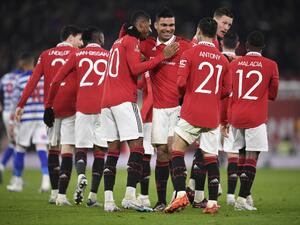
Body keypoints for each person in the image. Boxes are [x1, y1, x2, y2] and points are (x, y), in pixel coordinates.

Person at [101, 10, 179, 212]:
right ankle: (129, 196)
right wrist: (162, 56)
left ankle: (109, 200)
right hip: (123, 101)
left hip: (106, 102)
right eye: (148, 26)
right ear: (142, 25)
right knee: (138, 148)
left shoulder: (117, 43)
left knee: (112, 151)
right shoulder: (132, 41)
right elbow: (136, 69)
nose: (150, 30)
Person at [164, 17, 231, 214]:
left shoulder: (189, 53)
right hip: (212, 114)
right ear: (214, 34)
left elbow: (180, 84)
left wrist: (190, 93)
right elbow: (227, 90)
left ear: (199, 31)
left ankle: (180, 194)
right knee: (211, 156)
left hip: (192, 111)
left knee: (176, 150)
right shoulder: (222, 59)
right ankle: (211, 203)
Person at [15, 25, 83, 205]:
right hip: (71, 107)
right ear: (70, 37)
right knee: (67, 149)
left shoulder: (45, 54)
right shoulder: (77, 55)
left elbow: (33, 80)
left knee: (53, 148)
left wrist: (21, 104)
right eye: (79, 39)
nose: (81, 43)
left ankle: (53, 193)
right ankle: (61, 196)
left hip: (50, 108)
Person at [46, 27, 109, 207]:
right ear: (98, 38)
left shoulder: (77, 55)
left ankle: (81, 174)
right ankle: (93, 197)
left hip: (82, 107)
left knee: (80, 146)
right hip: (102, 108)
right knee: (99, 150)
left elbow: (56, 80)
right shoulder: (109, 55)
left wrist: (49, 105)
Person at [140, 8, 193, 211]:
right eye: (164, 25)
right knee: (161, 153)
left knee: (174, 149)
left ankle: (180, 195)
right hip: (159, 110)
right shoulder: (148, 46)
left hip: (179, 108)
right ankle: (162, 200)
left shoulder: (185, 45)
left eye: (171, 25)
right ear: (155, 26)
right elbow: (125, 39)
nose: (168, 29)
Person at [187, 7, 234, 204]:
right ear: (214, 22)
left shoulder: (216, 44)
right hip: (194, 103)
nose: (226, 27)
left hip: (206, 103)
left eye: (229, 25)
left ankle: (194, 191)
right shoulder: (200, 42)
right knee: (200, 149)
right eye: (224, 23)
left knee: (202, 149)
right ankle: (186, 190)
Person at [229, 31, 279, 210]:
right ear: (263, 47)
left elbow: (229, 89)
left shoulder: (235, 64)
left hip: (236, 115)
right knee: (252, 156)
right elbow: (273, 95)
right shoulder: (271, 65)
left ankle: (246, 195)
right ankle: (241, 200)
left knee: (241, 154)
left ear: (246, 46)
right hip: (255, 116)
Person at [7, 53, 49, 193]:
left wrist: (12, 122)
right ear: (33, 64)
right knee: (41, 147)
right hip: (41, 118)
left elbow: (15, 103)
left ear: (23, 65)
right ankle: (45, 181)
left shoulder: (20, 80)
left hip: (26, 118)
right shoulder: (43, 78)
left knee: (20, 148)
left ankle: (17, 181)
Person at [219, 31, 241, 206]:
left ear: (221, 43)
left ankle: (204, 191)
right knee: (233, 153)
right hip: (233, 113)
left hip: (213, 111)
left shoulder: (215, 59)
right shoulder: (242, 64)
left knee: (209, 153)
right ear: (238, 44)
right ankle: (231, 196)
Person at [0, 58, 23, 184]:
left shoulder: (5, 77)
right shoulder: (20, 78)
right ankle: (16, 177)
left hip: (6, 112)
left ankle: (2, 166)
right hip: (15, 113)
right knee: (18, 144)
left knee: (13, 143)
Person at [136, 71, 154, 208]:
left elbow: (151, 96)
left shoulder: (152, 67)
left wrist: (142, 115)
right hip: (166, 114)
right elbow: (141, 85)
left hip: (151, 116)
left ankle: (144, 197)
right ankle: (177, 194)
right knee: (167, 155)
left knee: (146, 154)